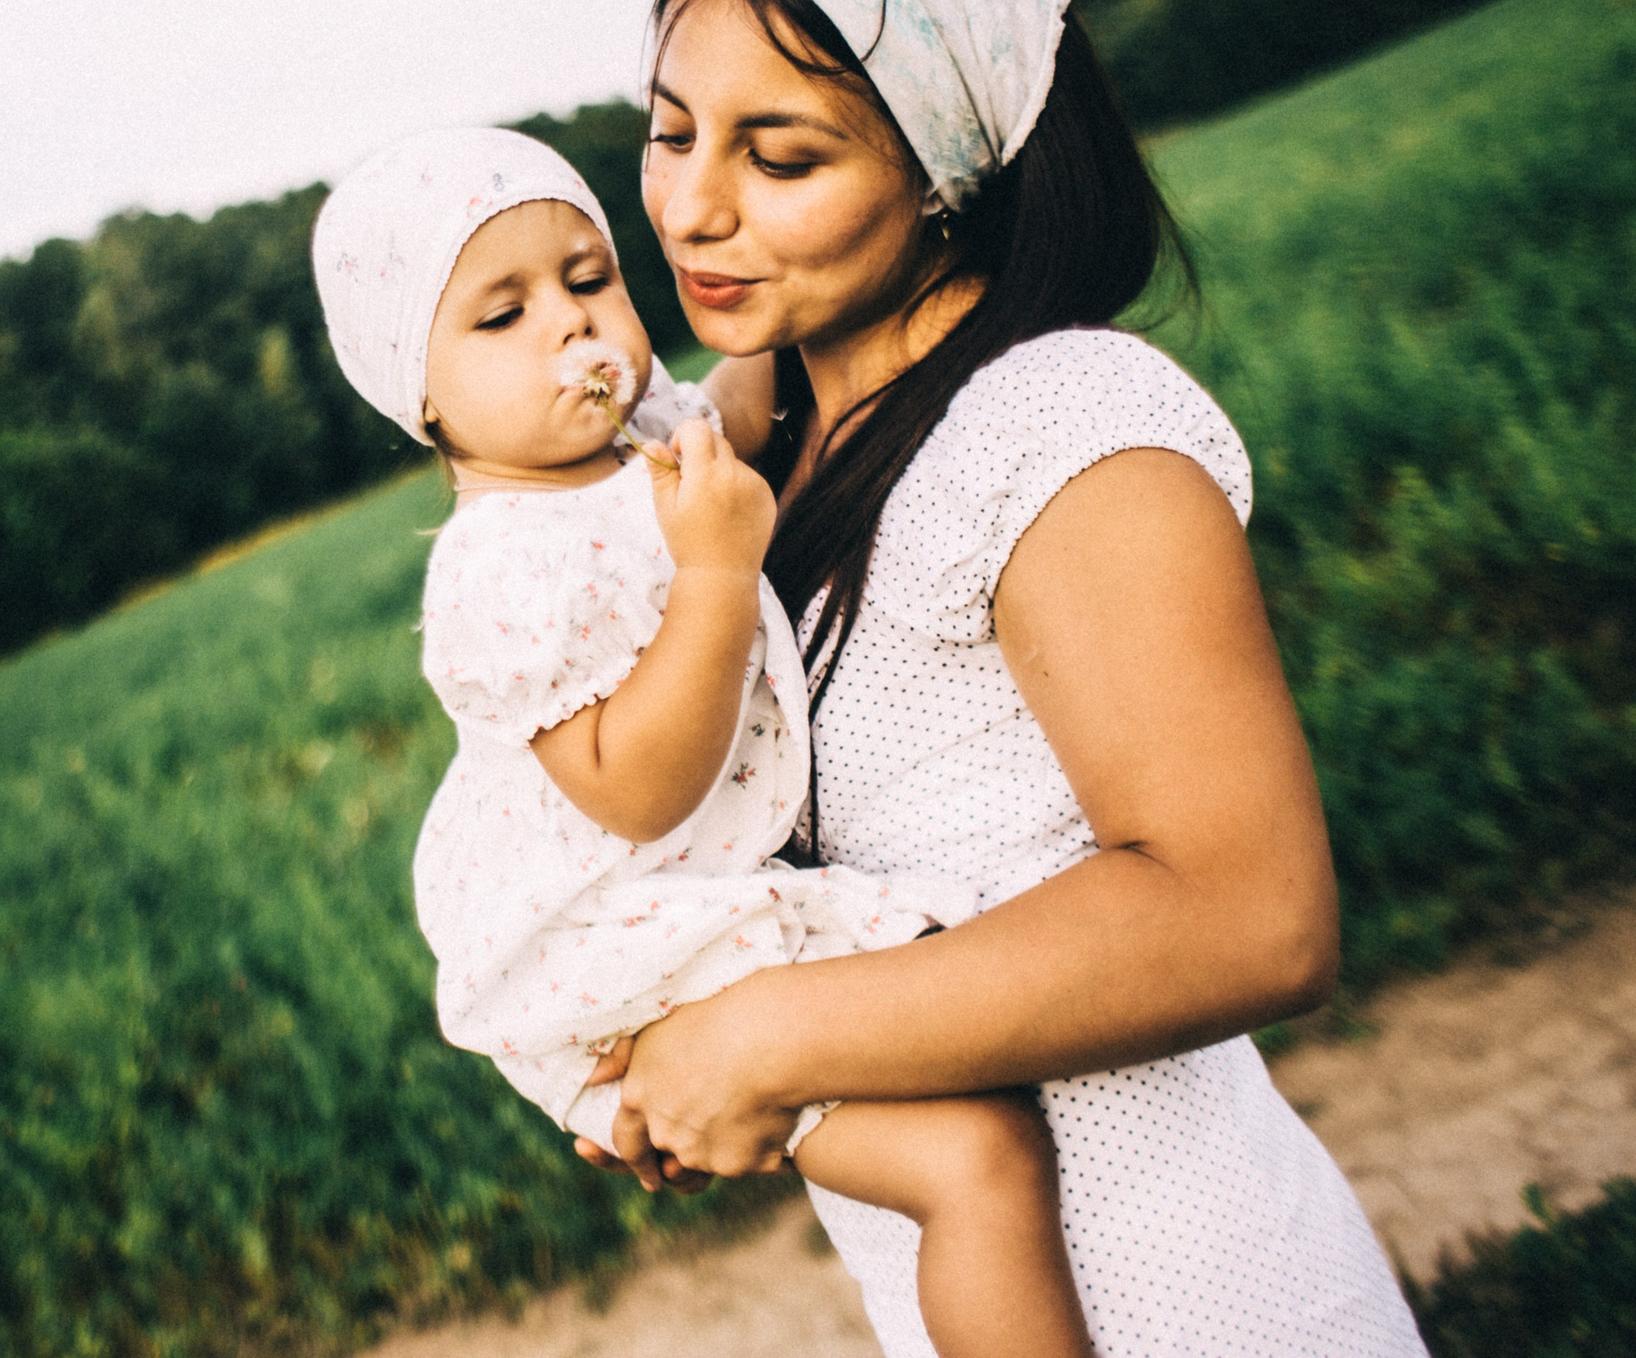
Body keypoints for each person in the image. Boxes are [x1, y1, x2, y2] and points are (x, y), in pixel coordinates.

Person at [567, 0, 1428, 1356]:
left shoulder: (1058, 422)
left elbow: (1252, 910)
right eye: (670, 130)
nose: (692, 207)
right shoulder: (766, 454)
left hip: (1198, 1301)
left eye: (780, 157)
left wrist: (766, 1036)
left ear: (947, 168)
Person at [311, 126, 1097, 1358]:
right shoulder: (499, 573)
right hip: (616, 948)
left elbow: (734, 407)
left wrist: (817, 291)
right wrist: (716, 574)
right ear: (414, 394)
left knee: (983, 1137)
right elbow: (640, 791)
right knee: (975, 1157)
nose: (571, 331)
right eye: (500, 316)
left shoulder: (634, 442)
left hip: (693, 910)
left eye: (586, 279)